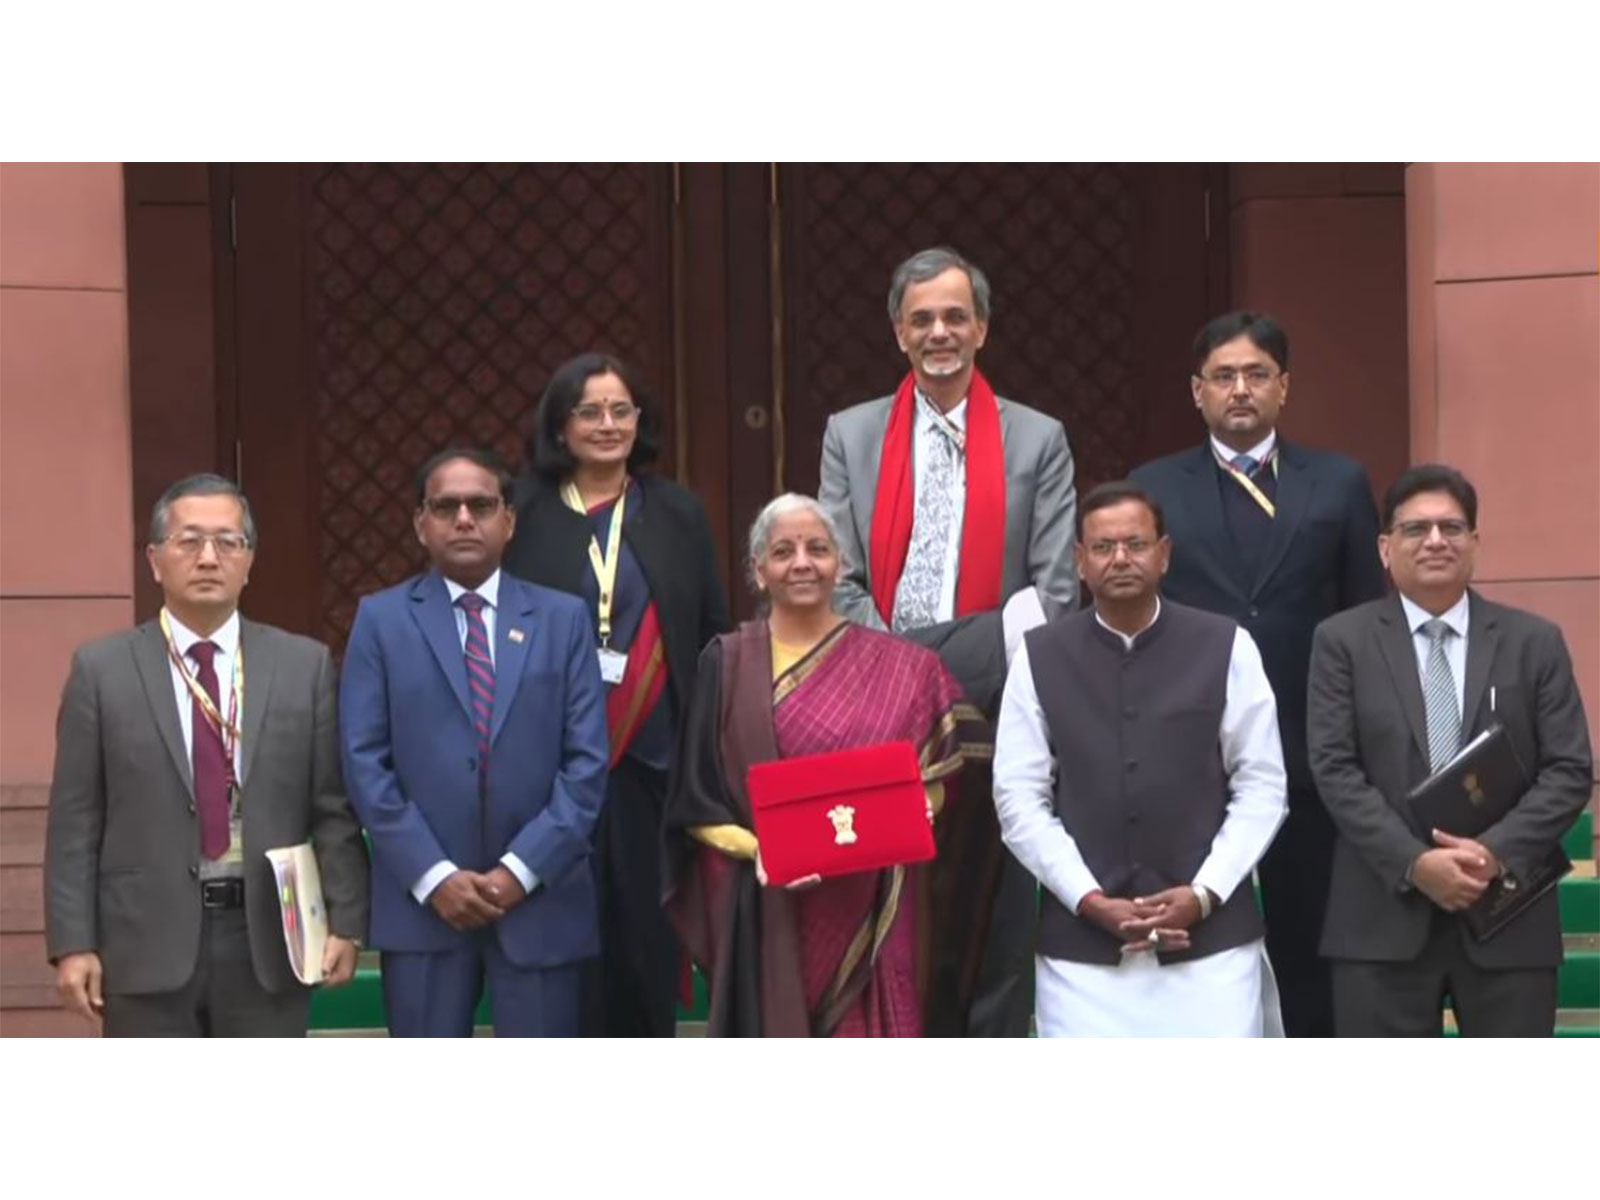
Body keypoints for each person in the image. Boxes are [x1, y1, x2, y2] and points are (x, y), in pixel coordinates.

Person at [817, 245, 1077, 1035]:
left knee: (992, 910)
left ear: (982, 328)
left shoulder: (1037, 438)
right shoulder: (850, 434)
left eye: (955, 317)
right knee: (886, 904)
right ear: (899, 332)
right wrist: (901, 672)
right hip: (877, 705)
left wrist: (960, 665)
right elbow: (838, 579)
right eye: (922, 319)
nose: (939, 333)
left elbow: (1053, 595)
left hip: (998, 709)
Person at [1129, 310, 1385, 1036]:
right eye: (1223, 376)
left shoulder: (1337, 483)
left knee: (1310, 944)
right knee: (1199, 947)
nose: (1239, 389)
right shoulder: (1153, 487)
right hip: (1191, 755)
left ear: (1284, 386)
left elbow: (1367, 617)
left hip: (1312, 752)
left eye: (1256, 374)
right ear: (1197, 391)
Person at [44, 473, 368, 1036]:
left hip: (268, 939)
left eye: (227, 542)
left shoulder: (302, 666)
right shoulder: (101, 670)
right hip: (143, 941)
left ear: (249, 561)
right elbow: (75, 819)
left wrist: (347, 921)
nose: (209, 558)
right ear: (155, 560)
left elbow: (331, 808)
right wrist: (74, 943)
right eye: (189, 541)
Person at [662, 494, 987, 1036]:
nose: (802, 563)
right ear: (758, 571)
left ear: (840, 565)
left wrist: (914, 814)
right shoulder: (727, 662)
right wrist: (762, 851)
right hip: (770, 903)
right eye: (783, 552)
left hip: (875, 905)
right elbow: (696, 800)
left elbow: (942, 770)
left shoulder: (905, 668)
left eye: (817, 549)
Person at [993, 482, 1288, 1036]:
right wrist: (1087, 898)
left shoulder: (1227, 645)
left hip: (1212, 950)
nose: (1121, 559)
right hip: (1082, 957)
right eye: (1103, 547)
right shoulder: (1039, 656)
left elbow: (1263, 786)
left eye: (1136, 543)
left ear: (1164, 553)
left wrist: (1203, 894)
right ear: (1079, 561)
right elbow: (1018, 798)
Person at [1308, 464, 1592, 1036]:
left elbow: (1568, 769)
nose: (1435, 541)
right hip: (1381, 919)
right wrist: (1416, 864)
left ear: (1475, 543)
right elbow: (1334, 768)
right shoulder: (1342, 641)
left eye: (1451, 528)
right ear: (1385, 548)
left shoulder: (1534, 642)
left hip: (1507, 912)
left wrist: (1493, 853)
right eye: (1416, 529)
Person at [340, 447, 608, 1037]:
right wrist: (434, 875)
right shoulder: (381, 621)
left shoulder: (563, 620)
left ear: (508, 521)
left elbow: (587, 765)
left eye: (481, 506)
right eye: (446, 507)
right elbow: (364, 763)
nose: (464, 519)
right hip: (424, 908)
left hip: (541, 902)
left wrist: (520, 870)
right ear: (421, 523)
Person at [503, 352, 729, 1037]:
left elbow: (710, 632)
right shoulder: (522, 512)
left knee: (643, 947)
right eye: (590, 411)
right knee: (562, 958)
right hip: (548, 775)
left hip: (651, 771)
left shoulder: (676, 512)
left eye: (620, 410)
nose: (607, 424)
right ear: (560, 426)